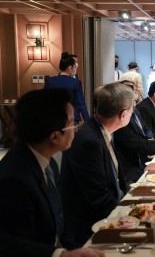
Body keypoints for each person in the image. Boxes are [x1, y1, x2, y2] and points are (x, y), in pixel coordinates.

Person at [0, 89, 103, 257]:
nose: (76, 129)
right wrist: (62, 254)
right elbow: (13, 245)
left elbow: (60, 220)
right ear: (55, 137)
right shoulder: (15, 179)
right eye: (72, 123)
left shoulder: (48, 161)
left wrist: (74, 249)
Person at [60, 83, 135, 245]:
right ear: (123, 115)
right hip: (92, 229)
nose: (132, 114)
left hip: (110, 212)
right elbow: (99, 199)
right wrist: (133, 214)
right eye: (132, 110)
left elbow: (115, 181)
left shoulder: (101, 130)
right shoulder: (89, 141)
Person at [44, 52, 89, 124]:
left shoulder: (49, 81)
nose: (75, 69)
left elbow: (45, 101)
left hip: (54, 118)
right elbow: (81, 104)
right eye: (75, 67)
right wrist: (88, 122)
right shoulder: (76, 82)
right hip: (71, 118)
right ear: (70, 68)